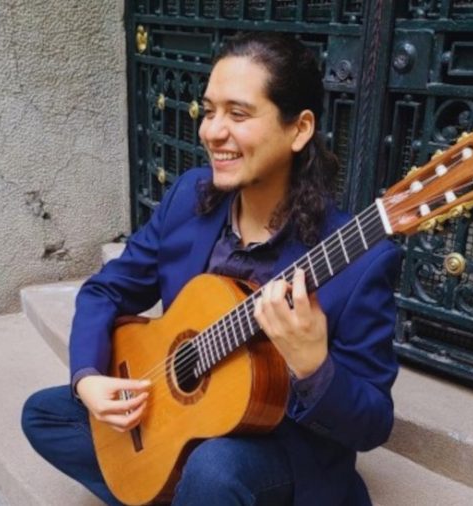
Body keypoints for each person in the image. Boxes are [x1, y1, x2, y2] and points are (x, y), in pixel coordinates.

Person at [22, 31, 401, 506]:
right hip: (184, 421)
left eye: (238, 114)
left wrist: (312, 366)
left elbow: (373, 423)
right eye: (209, 111)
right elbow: (105, 292)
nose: (211, 131)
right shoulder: (190, 197)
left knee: (214, 470)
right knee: (47, 414)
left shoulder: (359, 259)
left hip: (278, 453)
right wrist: (88, 378)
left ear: (299, 129)